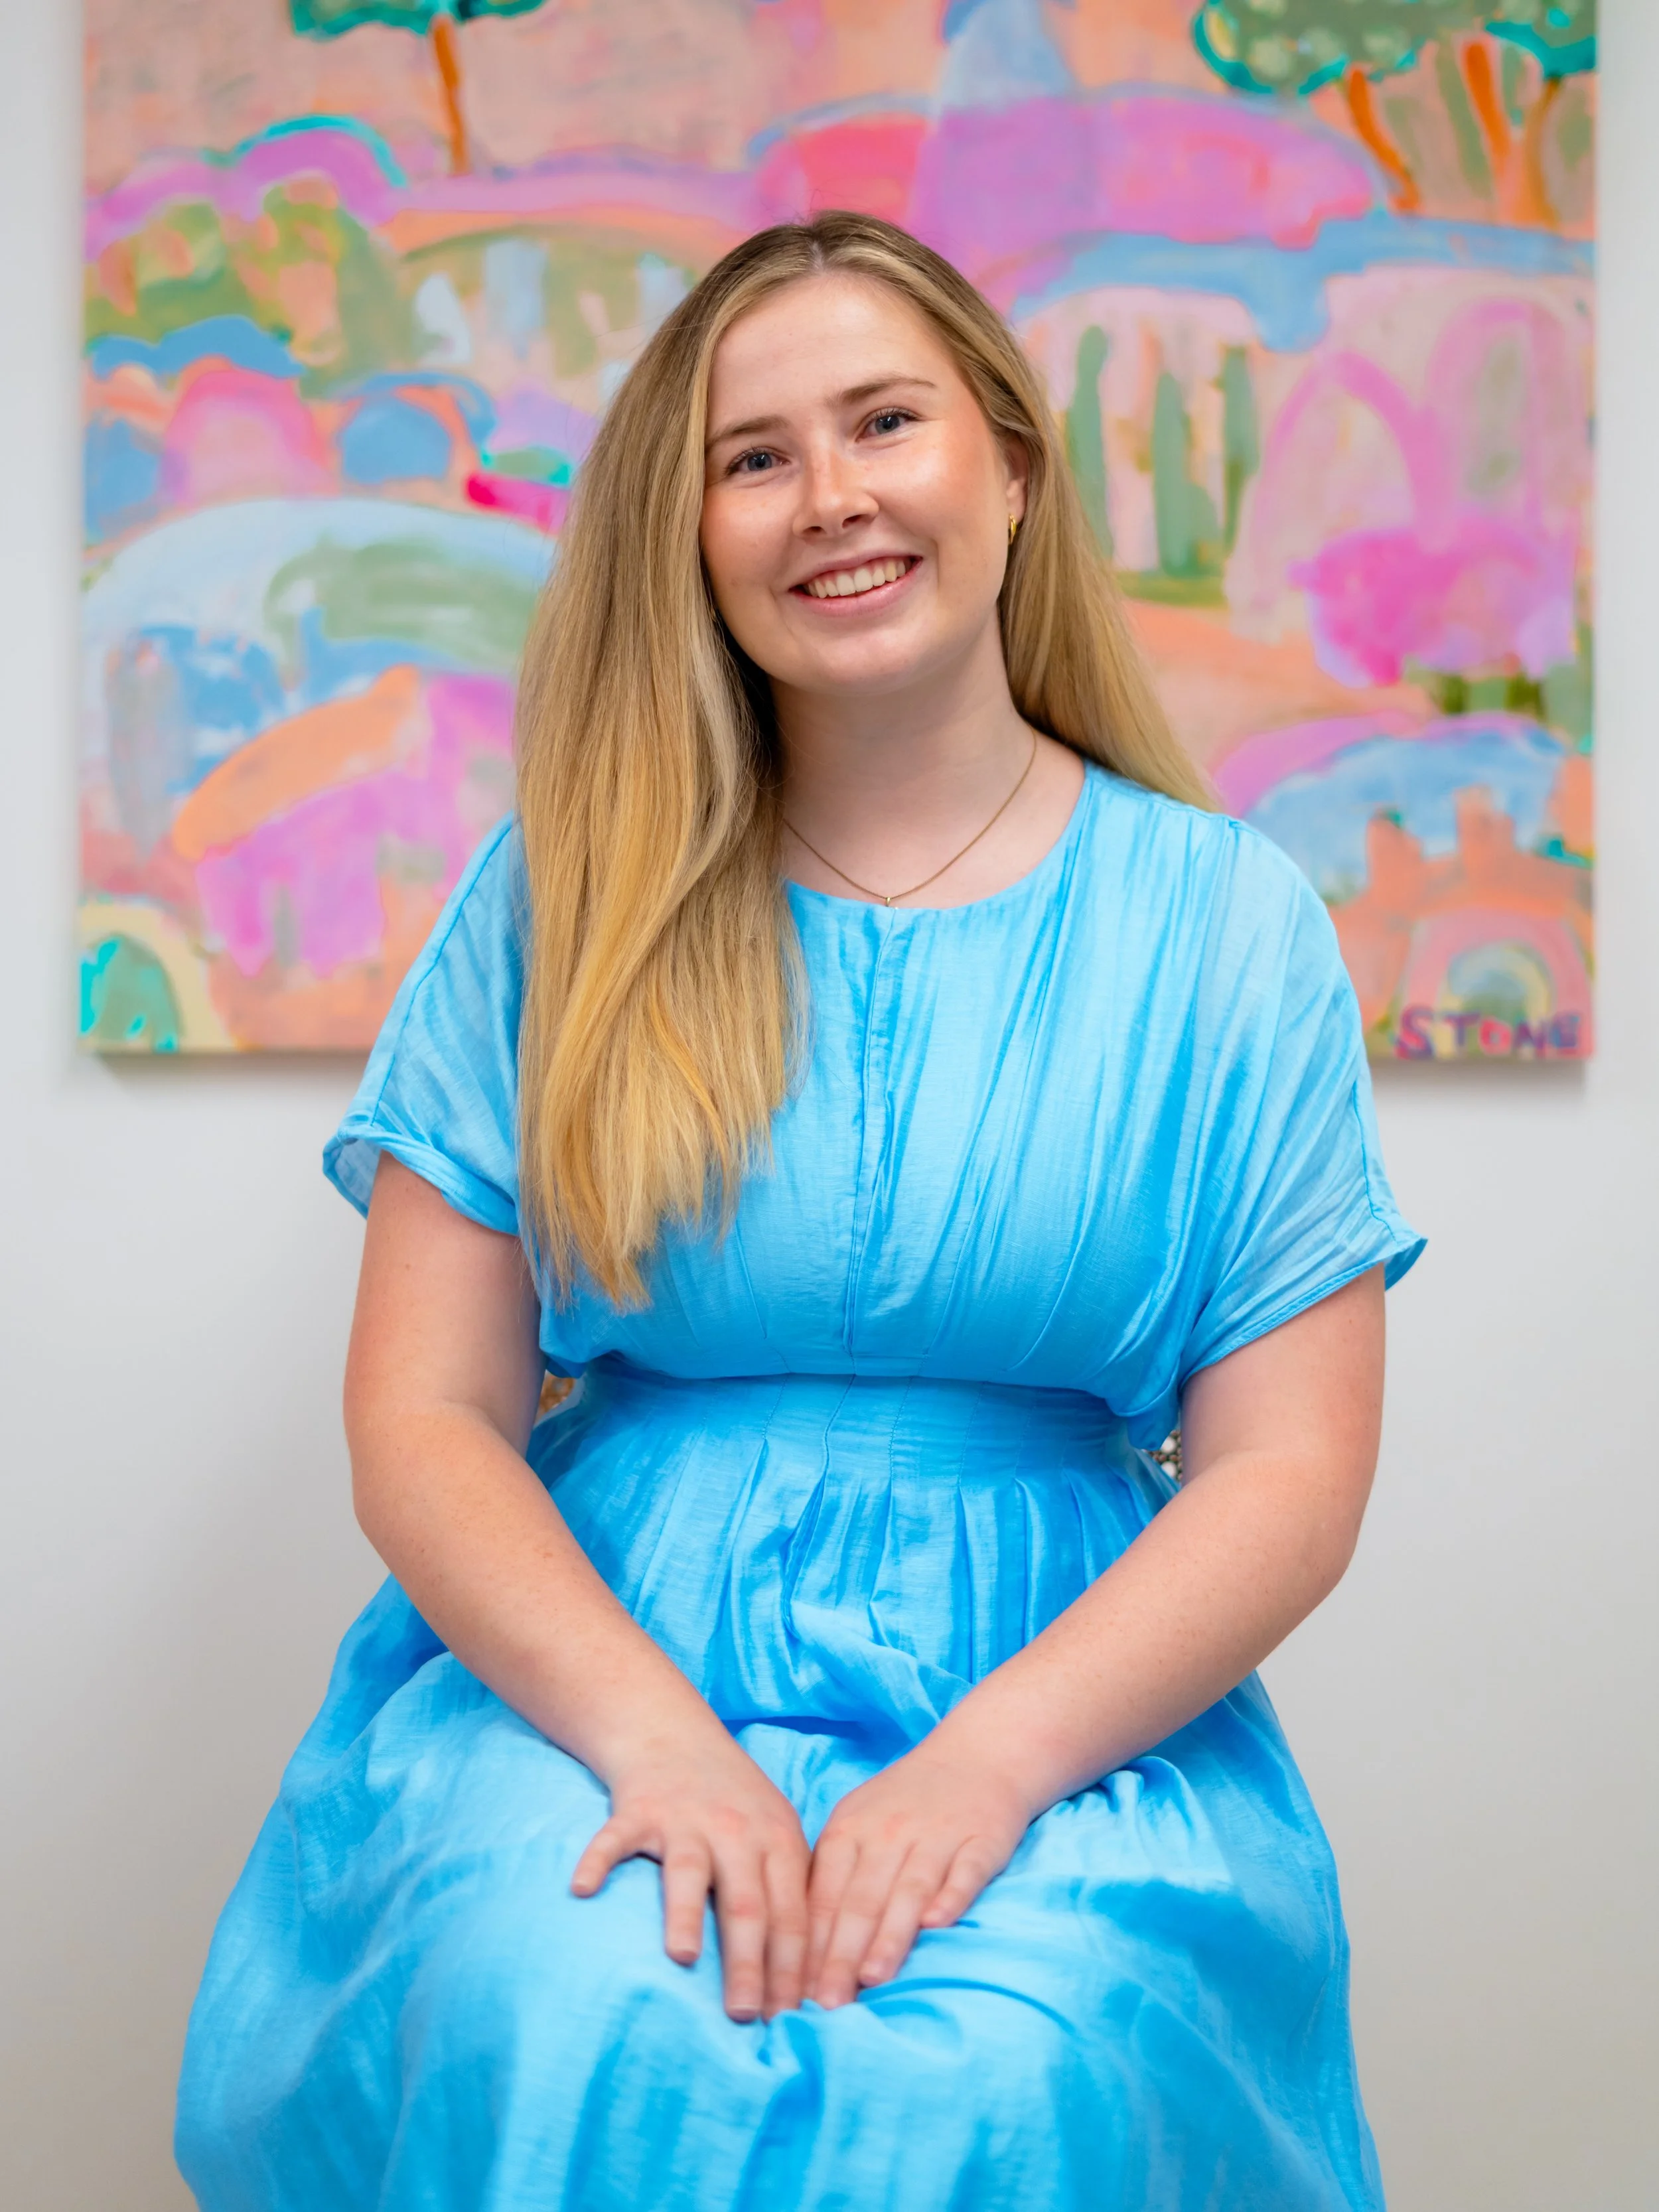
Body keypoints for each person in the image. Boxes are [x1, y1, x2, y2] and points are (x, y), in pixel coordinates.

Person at [176, 212, 1423, 2211]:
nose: (828, 494)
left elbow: (1288, 1471)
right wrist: (658, 1746)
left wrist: (987, 1768)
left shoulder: (1230, 924)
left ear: (1011, 467)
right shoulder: (560, 894)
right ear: (688, 537)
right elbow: (422, 1414)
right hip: (598, 1674)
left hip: (1057, 1695)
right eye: (751, 457)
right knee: (563, 2003)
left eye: (884, 422)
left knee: (1015, 2068)